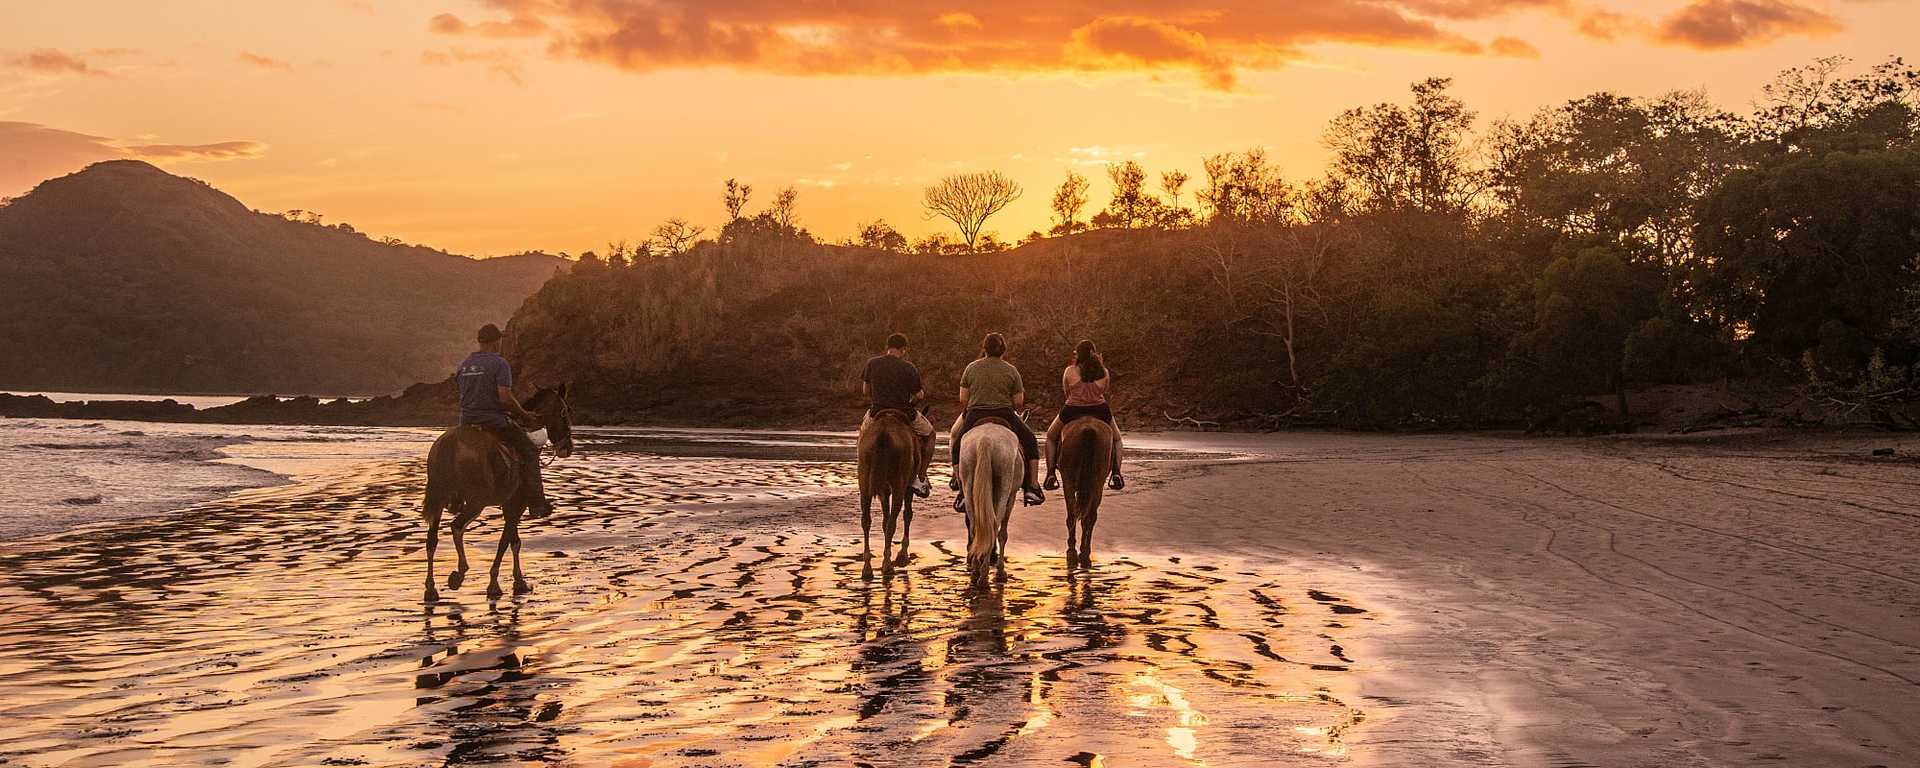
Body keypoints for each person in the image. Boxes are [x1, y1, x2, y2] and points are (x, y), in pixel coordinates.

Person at [457, 323, 552, 517]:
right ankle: (537, 503)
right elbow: (505, 398)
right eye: (500, 339)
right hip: (493, 421)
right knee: (529, 451)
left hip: (466, 421)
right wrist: (524, 415)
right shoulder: (499, 364)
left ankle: (454, 498)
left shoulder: (464, 364)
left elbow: (462, 392)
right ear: (496, 342)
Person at [949, 332, 1045, 508]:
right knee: (1030, 441)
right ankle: (1032, 486)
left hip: (975, 414)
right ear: (1003, 350)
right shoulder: (1011, 370)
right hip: (1004, 413)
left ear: (984, 348)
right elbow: (1018, 402)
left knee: (957, 445)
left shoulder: (971, 368)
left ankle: (961, 487)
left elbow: (963, 399)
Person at [861, 332, 935, 497]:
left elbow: (865, 391)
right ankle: (920, 477)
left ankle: (864, 470)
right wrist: (909, 402)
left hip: (876, 412)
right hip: (903, 411)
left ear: (887, 347)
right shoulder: (909, 367)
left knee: (863, 437)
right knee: (930, 434)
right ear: (903, 350)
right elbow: (920, 395)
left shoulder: (872, 363)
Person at [1043, 339, 1124, 491]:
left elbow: (1066, 393)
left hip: (1073, 409)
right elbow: (1104, 391)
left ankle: (1051, 473)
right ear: (1094, 353)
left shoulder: (1069, 371)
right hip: (1100, 409)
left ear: (1077, 354)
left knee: (1050, 437)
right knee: (1117, 439)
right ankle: (1116, 473)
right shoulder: (1104, 372)